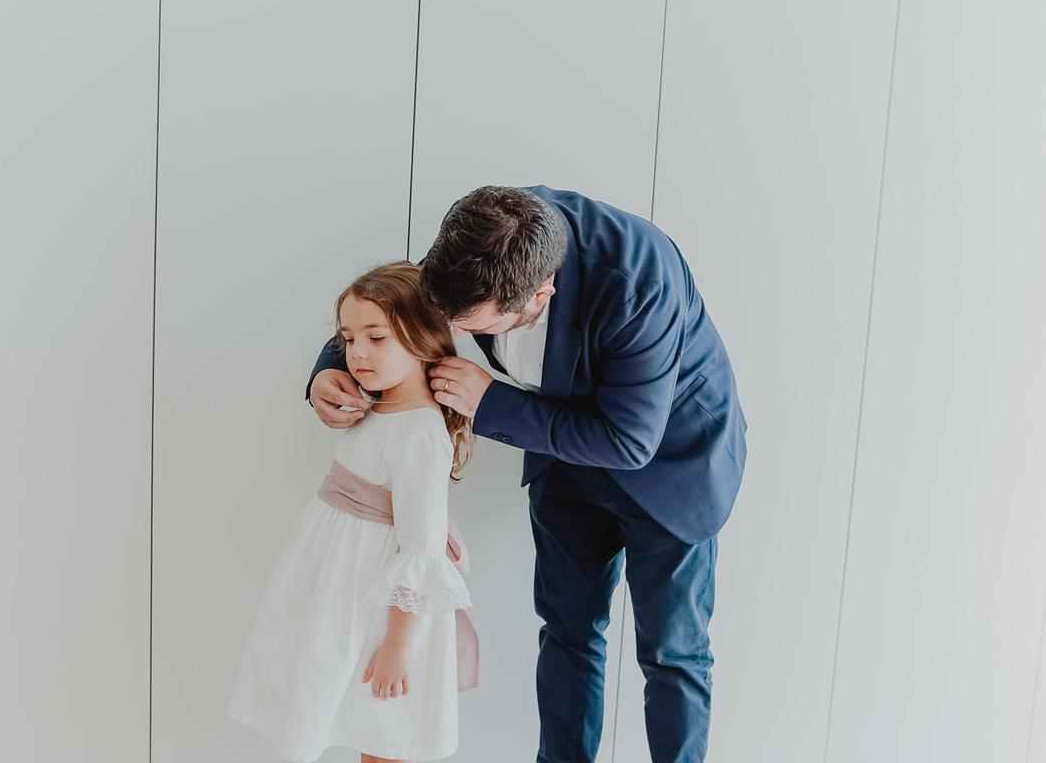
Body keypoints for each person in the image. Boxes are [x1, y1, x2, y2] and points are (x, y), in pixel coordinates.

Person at [309, 186, 747, 763]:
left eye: (465, 322)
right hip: (561, 459)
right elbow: (398, 303)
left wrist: (490, 403)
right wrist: (329, 369)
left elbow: (629, 440)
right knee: (567, 631)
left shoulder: (640, 281)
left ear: (541, 294)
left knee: (672, 653)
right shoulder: (485, 237)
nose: (444, 326)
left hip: (672, 467)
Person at [230, 261, 478, 763]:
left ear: (422, 337)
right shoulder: (373, 410)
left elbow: (423, 549)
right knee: (349, 717)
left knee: (384, 732)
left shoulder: (418, 433)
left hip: (386, 614)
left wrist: (397, 647)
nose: (357, 352)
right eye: (348, 338)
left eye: (376, 337)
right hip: (341, 598)